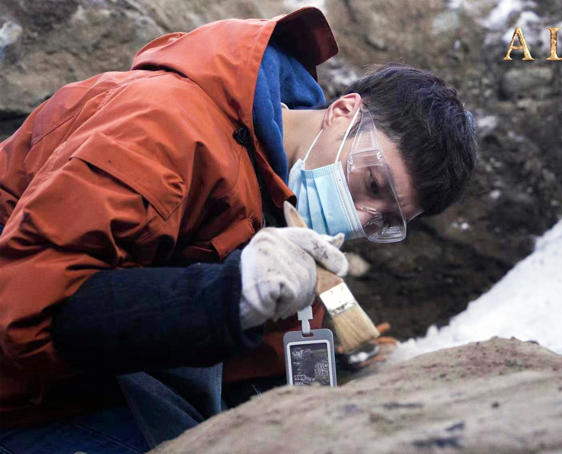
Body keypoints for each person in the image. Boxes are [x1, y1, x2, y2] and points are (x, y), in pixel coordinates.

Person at [0, 6, 477, 453]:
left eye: (386, 220)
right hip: (20, 398)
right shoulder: (163, 126)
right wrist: (233, 295)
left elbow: (262, 369)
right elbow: (30, 309)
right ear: (343, 112)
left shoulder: (283, 195)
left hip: (86, 389)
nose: (362, 216)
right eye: (372, 183)